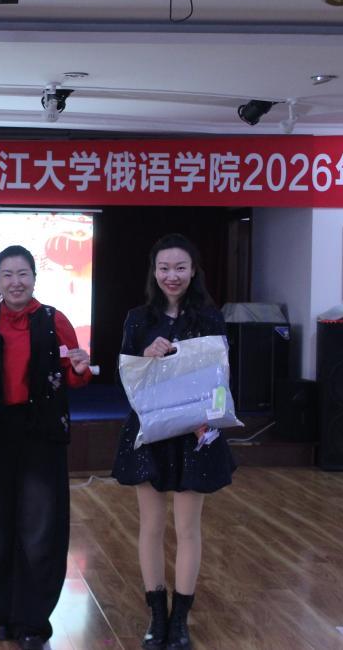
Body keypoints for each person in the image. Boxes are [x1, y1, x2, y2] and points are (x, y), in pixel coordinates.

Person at [112, 233, 236, 650]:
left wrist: (209, 422)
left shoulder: (209, 319)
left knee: (188, 528)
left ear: (193, 271)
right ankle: (156, 616)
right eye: (164, 268)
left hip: (194, 435)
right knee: (150, 527)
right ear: (154, 271)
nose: (172, 275)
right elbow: (126, 380)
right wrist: (147, 357)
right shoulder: (137, 319)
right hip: (150, 433)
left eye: (180, 267)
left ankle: (180, 619)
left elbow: (220, 379)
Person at [0, 245, 92, 650]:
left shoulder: (54, 320)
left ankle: (33, 620)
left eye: (22, 273)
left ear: (34, 278)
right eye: (7, 275)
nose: (16, 282)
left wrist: (81, 369)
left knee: (40, 528)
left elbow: (73, 375)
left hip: (42, 434)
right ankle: (2, 616)